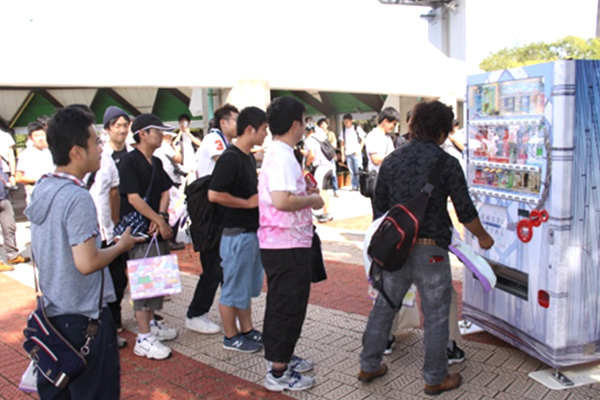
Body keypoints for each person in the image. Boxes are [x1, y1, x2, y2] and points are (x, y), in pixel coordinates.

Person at [358, 100, 494, 396]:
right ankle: (434, 377)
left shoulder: (392, 160)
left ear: (413, 125)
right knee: (435, 312)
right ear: (444, 131)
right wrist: (483, 237)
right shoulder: (447, 163)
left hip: (395, 248)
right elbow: (465, 211)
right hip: (431, 251)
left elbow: (380, 208)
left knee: (384, 304)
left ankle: (369, 364)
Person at [25, 105, 142, 398]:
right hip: (84, 318)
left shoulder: (43, 187)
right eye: (94, 141)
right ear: (77, 152)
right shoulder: (77, 197)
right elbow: (87, 262)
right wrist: (122, 246)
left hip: (53, 314)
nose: (100, 147)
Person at [259, 96, 324, 392]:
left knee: (284, 303)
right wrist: (312, 199)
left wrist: (304, 190)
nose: (305, 125)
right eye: (304, 119)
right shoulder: (283, 154)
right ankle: (278, 372)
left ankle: (282, 356)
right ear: (295, 123)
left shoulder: (280, 152)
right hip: (286, 244)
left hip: (283, 243)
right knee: (287, 305)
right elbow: (282, 201)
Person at [207, 106, 268, 352]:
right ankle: (231, 337)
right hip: (236, 233)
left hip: (249, 232)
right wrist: (245, 203)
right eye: (264, 129)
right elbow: (214, 194)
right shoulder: (231, 158)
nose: (266, 134)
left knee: (244, 286)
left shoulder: (245, 156)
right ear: (250, 129)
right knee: (233, 287)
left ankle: (247, 329)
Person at [118, 113, 178, 360]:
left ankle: (151, 324)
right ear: (142, 133)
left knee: (156, 278)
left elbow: (165, 190)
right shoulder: (129, 162)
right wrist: (157, 219)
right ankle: (143, 337)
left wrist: (160, 216)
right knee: (144, 282)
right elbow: (132, 198)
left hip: (154, 226)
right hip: (140, 231)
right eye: (157, 131)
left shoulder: (157, 162)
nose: (162, 135)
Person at [185, 104, 239, 335]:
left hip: (219, 212)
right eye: (236, 120)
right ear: (223, 122)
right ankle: (196, 314)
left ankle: (229, 314)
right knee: (213, 268)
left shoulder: (227, 144)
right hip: (208, 214)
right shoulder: (214, 139)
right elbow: (225, 160)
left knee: (226, 266)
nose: (241, 125)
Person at [99, 106, 133, 338]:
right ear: (107, 129)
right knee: (113, 274)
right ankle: (112, 316)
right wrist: (113, 220)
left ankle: (147, 311)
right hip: (109, 225)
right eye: (117, 125)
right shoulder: (101, 158)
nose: (122, 130)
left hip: (131, 220)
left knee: (134, 270)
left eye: (125, 125)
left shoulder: (132, 155)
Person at [365, 107, 399, 219]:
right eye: (393, 124)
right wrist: (393, 156)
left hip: (388, 180)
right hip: (377, 180)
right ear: (385, 121)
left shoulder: (387, 138)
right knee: (379, 215)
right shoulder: (372, 136)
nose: (393, 127)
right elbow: (375, 159)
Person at [154, 129, 186, 251]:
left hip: (167, 180)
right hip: (171, 181)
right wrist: (176, 148)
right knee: (175, 210)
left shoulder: (159, 147)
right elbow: (178, 158)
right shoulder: (165, 145)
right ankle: (171, 239)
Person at [15, 121, 54, 203]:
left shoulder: (50, 152)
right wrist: (38, 179)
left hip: (52, 194)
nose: (40, 138)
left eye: (42, 135)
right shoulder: (25, 155)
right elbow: (18, 178)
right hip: (35, 197)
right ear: (30, 138)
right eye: (36, 136)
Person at [305, 123, 333, 223]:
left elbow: (312, 155)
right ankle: (327, 213)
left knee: (319, 190)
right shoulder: (320, 136)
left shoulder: (309, 140)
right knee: (324, 190)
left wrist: (307, 164)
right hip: (329, 166)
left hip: (321, 167)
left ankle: (320, 213)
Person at [339, 113, 366, 191]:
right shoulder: (343, 130)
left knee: (359, 170)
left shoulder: (356, 128)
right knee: (351, 171)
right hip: (348, 153)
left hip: (355, 152)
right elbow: (342, 143)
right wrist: (342, 154)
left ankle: (361, 185)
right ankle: (354, 186)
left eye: (347, 121)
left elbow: (363, 139)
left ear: (351, 121)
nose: (346, 123)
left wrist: (359, 150)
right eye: (344, 121)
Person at [317, 118, 339, 197]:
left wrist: (328, 149)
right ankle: (322, 190)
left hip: (330, 156)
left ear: (327, 125)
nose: (323, 126)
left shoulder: (331, 134)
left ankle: (335, 190)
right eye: (321, 124)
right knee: (321, 175)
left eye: (324, 124)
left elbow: (334, 145)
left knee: (333, 174)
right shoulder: (317, 135)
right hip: (321, 157)